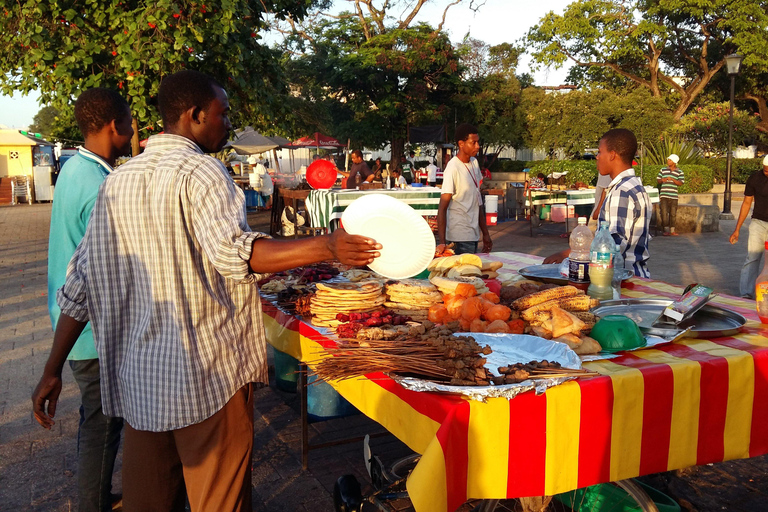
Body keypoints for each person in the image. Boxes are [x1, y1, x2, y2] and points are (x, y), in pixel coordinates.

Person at [31, 70, 381, 511]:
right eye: (223, 113)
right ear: (195, 115)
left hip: (141, 386)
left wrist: (51, 368)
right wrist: (325, 245)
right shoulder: (203, 172)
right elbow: (236, 254)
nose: (228, 123)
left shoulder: (117, 182)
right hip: (208, 383)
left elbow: (77, 287)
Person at [42, 87, 133, 512]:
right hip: (90, 330)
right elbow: (100, 269)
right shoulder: (103, 186)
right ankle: (91, 504)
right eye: (130, 122)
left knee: (98, 420)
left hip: (71, 322)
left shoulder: (76, 168)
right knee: (103, 423)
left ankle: (94, 495)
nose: (133, 131)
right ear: (116, 126)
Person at [544, 128, 652, 277]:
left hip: (623, 280)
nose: (597, 157)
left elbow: (612, 247)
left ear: (612, 155)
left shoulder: (622, 191)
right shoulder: (633, 186)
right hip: (632, 276)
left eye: (600, 152)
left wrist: (569, 253)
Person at [437, 123, 492, 255]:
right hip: (458, 237)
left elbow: (477, 202)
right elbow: (442, 207)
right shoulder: (453, 168)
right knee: (463, 274)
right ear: (461, 144)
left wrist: (485, 234)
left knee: (473, 273)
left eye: (478, 142)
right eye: (473, 143)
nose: (477, 146)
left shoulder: (474, 163)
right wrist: (442, 242)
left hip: (473, 235)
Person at [730, 155, 768, 298]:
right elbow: (746, 203)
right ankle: (746, 293)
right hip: (758, 223)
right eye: (765, 170)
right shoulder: (755, 179)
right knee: (752, 257)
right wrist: (737, 229)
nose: (767, 173)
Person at [656, 154, 685, 236]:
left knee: (673, 213)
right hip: (664, 194)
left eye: (670, 160)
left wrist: (672, 179)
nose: (668, 162)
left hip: (673, 195)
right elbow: (658, 180)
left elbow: (680, 183)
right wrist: (662, 180)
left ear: (674, 162)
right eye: (668, 160)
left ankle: (672, 230)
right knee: (664, 213)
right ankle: (666, 230)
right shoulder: (663, 170)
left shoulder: (680, 172)